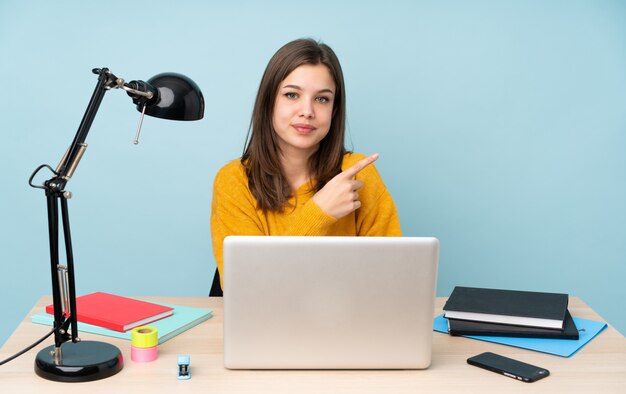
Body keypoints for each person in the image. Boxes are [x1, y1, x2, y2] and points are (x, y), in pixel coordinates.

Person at [210, 38, 401, 289]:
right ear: (269, 102)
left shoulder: (358, 174)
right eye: (292, 95)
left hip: (348, 322)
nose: (307, 111)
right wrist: (318, 213)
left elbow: (391, 277)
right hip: (267, 325)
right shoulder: (233, 180)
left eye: (322, 99)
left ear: (334, 110)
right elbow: (248, 287)